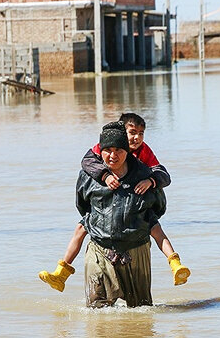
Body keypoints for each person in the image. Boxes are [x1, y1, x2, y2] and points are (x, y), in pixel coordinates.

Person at [38, 116, 190, 294]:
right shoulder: (103, 148)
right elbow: (87, 163)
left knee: (156, 228)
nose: (137, 138)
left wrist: (150, 180)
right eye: (132, 133)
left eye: (141, 133)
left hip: (138, 216)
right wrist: (105, 176)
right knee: (81, 228)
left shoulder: (144, 152)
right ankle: (62, 272)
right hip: (102, 218)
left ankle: (175, 263)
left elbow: (163, 175)